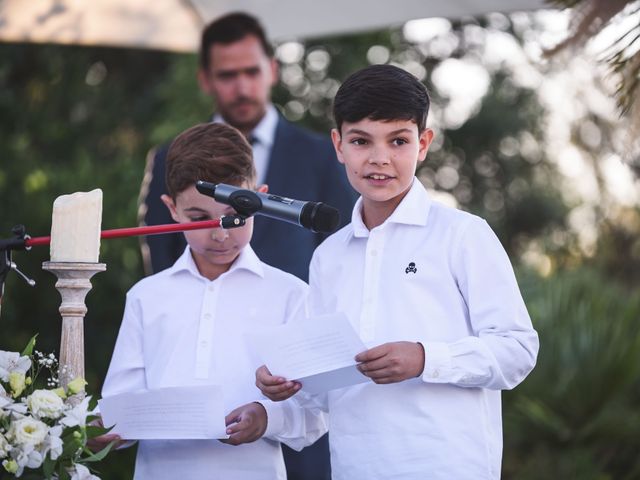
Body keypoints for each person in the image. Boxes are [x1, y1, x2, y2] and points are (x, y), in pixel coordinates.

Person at [255, 64, 540, 479]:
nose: (379, 158)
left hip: (449, 467)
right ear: (338, 145)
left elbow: (517, 350)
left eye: (398, 141)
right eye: (360, 141)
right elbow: (323, 394)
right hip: (355, 468)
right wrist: (287, 385)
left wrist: (426, 357)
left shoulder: (463, 235)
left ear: (423, 144)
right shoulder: (328, 257)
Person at [102, 123, 327, 480]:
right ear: (171, 208)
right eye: (198, 218)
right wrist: (100, 431)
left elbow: (316, 411)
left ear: (262, 199)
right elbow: (119, 408)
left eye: (235, 216)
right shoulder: (146, 297)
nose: (220, 232)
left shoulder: (291, 295)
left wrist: (266, 417)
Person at [141, 12, 356, 283]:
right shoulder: (168, 157)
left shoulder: (323, 156)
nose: (242, 88)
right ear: (205, 80)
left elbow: (342, 252)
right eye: (228, 75)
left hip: (296, 317)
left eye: (252, 72)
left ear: (273, 70)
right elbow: (162, 258)